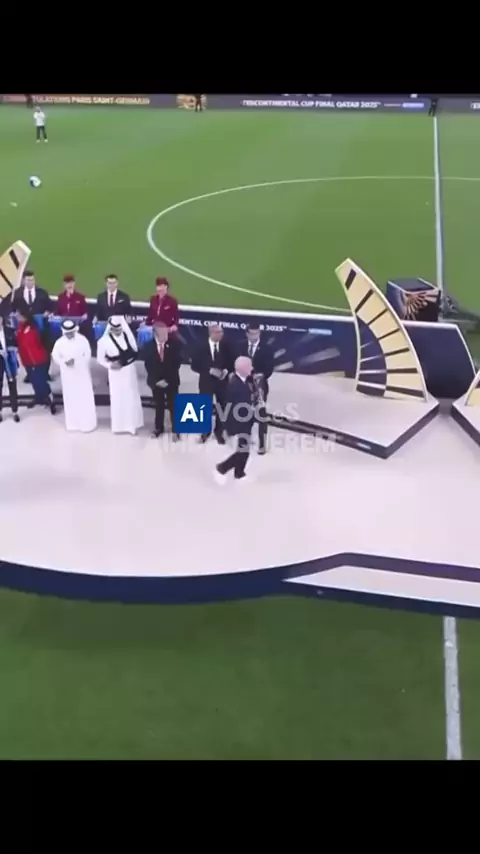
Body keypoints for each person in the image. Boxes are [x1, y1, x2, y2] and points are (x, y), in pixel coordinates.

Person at [96, 316, 143, 435]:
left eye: (119, 329)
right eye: (115, 330)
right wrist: (110, 365)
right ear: (111, 329)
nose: (118, 332)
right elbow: (100, 359)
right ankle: (119, 426)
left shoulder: (127, 336)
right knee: (118, 398)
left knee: (131, 397)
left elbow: (134, 351)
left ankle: (132, 425)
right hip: (116, 374)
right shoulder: (103, 342)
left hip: (129, 372)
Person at [214, 356, 255, 484]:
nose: (252, 368)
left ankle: (239, 472)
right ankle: (223, 467)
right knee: (243, 451)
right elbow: (231, 407)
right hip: (240, 423)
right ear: (243, 369)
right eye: (249, 366)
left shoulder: (242, 382)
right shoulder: (236, 385)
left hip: (244, 421)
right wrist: (230, 427)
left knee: (244, 450)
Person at [51, 319, 97, 433]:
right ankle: (73, 424)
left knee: (84, 398)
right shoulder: (59, 342)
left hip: (81, 373)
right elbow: (55, 356)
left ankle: (87, 424)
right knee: (70, 398)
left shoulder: (82, 340)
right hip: (68, 375)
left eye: (71, 332)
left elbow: (88, 354)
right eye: (67, 333)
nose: (69, 335)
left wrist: (77, 362)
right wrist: (64, 362)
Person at [190, 324, 232, 444]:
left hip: (222, 382)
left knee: (222, 407)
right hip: (206, 382)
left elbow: (231, 361)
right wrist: (209, 370)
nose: (222, 334)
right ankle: (205, 432)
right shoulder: (200, 346)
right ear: (211, 333)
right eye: (219, 332)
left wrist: (226, 370)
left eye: (222, 332)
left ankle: (219, 431)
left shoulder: (226, 345)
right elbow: (194, 365)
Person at [237, 324, 274, 454]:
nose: (255, 336)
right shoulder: (240, 346)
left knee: (261, 414)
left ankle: (262, 444)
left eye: (257, 333)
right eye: (252, 333)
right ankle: (243, 441)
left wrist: (259, 375)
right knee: (243, 413)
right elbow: (235, 364)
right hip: (243, 385)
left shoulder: (266, 348)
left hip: (260, 387)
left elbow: (269, 368)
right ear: (247, 334)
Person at [142, 321, 182, 439]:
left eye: (166, 333)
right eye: (163, 333)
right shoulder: (148, 346)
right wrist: (157, 381)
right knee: (158, 405)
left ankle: (176, 430)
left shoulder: (175, 345)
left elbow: (177, 364)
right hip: (156, 382)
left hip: (171, 381)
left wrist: (167, 380)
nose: (166, 335)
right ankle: (158, 428)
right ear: (155, 334)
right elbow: (148, 365)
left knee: (173, 405)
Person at [15, 309, 56, 413]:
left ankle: (50, 399)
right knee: (34, 381)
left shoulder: (35, 328)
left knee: (41, 381)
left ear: (25, 317)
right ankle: (39, 397)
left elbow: (40, 342)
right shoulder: (20, 328)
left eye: (19, 316)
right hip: (27, 360)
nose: (17, 318)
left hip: (38, 360)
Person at [0, 315, 20, 423]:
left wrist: (9, 350)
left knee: (12, 385)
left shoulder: (9, 330)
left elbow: (16, 345)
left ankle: (15, 411)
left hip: (10, 360)